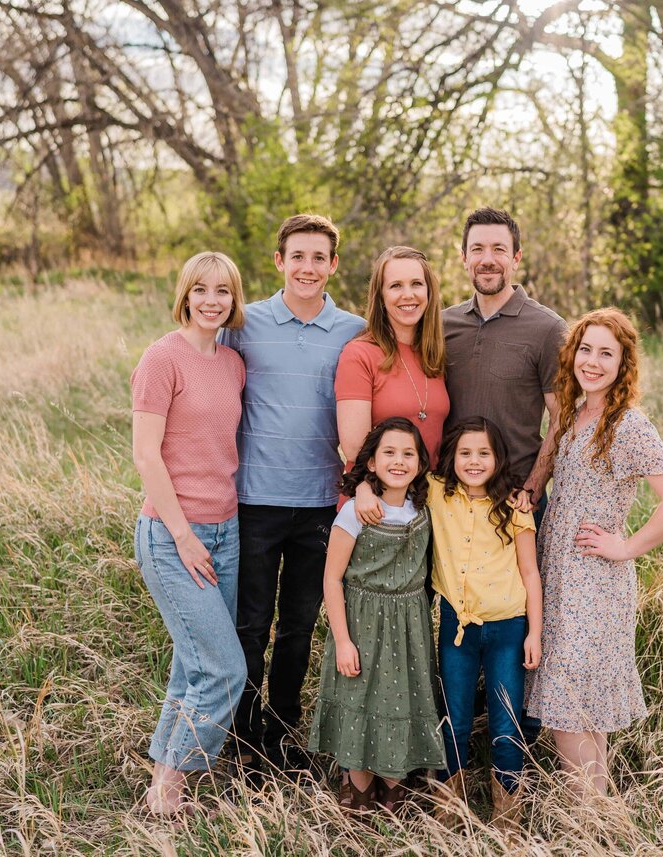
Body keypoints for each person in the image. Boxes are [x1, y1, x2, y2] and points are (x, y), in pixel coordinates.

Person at [524, 308, 663, 795]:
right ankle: (600, 822)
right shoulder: (577, 415)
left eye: (606, 353)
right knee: (582, 709)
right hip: (558, 577)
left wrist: (625, 548)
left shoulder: (627, 425)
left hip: (595, 583)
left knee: (569, 708)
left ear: (623, 364)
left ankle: (586, 826)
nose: (592, 362)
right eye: (585, 349)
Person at [219, 214, 364, 779]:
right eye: (297, 256)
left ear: (333, 265)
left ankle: (281, 733)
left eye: (319, 257)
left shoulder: (352, 330)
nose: (308, 267)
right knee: (251, 624)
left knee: (299, 624)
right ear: (278, 261)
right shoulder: (243, 324)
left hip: (320, 503)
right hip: (254, 499)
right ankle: (241, 733)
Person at [130, 251, 249, 817]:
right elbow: (145, 455)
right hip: (174, 536)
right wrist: (182, 535)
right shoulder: (162, 359)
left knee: (192, 664)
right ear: (185, 294)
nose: (212, 301)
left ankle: (160, 786)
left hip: (226, 532)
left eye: (223, 291)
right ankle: (170, 794)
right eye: (201, 290)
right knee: (226, 670)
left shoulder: (231, 364)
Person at [308, 417, 446, 813]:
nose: (399, 461)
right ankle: (358, 793)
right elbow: (332, 579)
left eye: (408, 454)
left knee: (400, 702)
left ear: (421, 463)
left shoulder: (424, 510)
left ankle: (394, 791)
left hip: (409, 627)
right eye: (389, 452)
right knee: (359, 701)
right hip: (361, 623)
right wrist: (343, 641)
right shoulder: (355, 512)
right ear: (371, 462)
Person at [426, 417, 543, 829]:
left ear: (498, 458)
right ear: (451, 458)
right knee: (453, 719)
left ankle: (508, 817)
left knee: (505, 723)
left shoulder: (514, 506)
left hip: (508, 629)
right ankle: (448, 809)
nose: (474, 462)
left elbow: (530, 573)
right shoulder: (436, 494)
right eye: (465, 453)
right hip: (457, 627)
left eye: (483, 453)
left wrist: (535, 632)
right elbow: (393, 474)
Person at [443, 207, 567, 523]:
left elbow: (561, 418)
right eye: (477, 249)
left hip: (517, 499)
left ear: (516, 258)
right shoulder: (442, 325)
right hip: (451, 499)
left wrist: (534, 486)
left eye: (499, 249)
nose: (487, 260)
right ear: (464, 258)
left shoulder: (548, 329)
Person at [335, 246, 449, 466]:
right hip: (375, 494)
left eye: (416, 284)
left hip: (428, 495)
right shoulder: (359, 354)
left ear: (429, 291)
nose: (408, 295)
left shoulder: (434, 355)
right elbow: (354, 450)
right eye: (396, 286)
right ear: (380, 296)